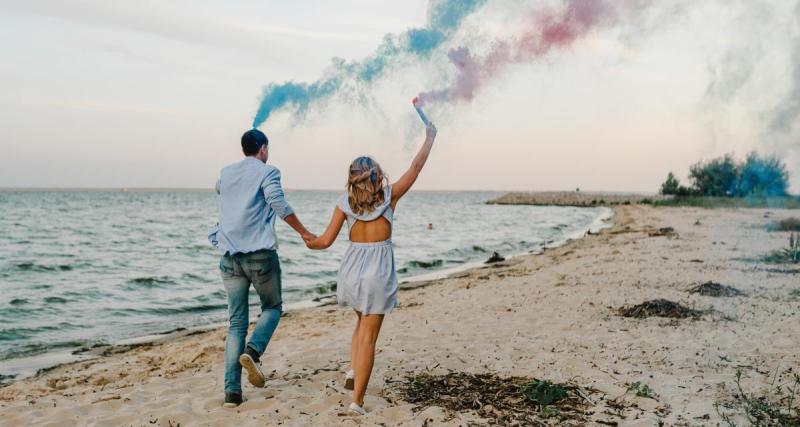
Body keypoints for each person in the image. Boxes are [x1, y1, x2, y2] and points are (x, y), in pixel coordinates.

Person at [305, 120, 437, 415]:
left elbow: (324, 241)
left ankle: (353, 371)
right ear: (377, 176)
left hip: (351, 271)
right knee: (368, 337)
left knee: (360, 323)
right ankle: (357, 403)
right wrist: (429, 137)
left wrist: (307, 239)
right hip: (376, 273)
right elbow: (415, 168)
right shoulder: (389, 197)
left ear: (353, 180)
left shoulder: (344, 203)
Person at [208, 129, 316, 408]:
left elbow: (219, 187)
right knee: (272, 307)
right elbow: (278, 203)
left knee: (236, 323)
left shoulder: (227, 172)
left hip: (229, 257)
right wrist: (304, 232)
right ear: (263, 150)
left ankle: (232, 393)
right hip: (260, 256)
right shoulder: (269, 172)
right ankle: (253, 352)